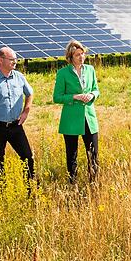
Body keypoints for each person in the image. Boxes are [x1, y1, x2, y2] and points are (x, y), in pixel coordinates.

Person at [0, 47, 35, 180]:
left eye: (16, 59)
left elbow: (30, 93)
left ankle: (31, 189)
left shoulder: (19, 77)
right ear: (1, 60)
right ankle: (1, 193)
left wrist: (26, 111)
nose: (15, 62)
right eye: (12, 59)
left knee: (27, 157)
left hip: (16, 126)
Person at [52, 40, 100, 183]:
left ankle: (94, 183)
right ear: (70, 57)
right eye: (77, 55)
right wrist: (74, 97)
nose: (81, 57)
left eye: (82, 54)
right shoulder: (63, 73)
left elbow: (96, 90)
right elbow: (57, 97)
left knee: (93, 153)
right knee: (71, 154)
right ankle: (72, 183)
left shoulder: (90, 69)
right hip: (71, 119)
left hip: (89, 117)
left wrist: (92, 95)